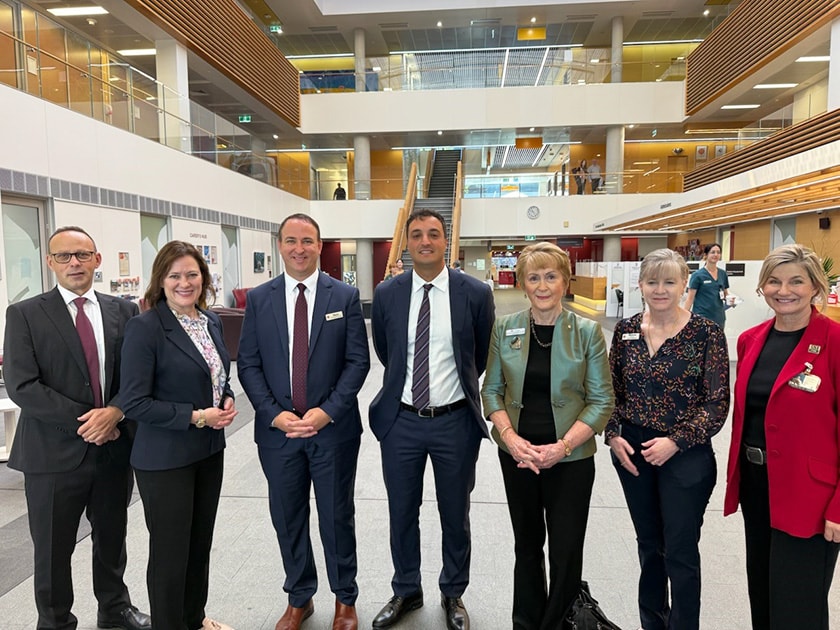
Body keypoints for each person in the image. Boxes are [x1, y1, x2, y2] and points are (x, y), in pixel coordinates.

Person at [4, 226, 150, 630]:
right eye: (65, 256)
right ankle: (53, 621)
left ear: (97, 260)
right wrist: (91, 422)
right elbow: (22, 385)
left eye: (83, 255)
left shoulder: (124, 311)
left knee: (111, 539)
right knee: (52, 549)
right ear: (50, 262)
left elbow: (136, 375)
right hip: (51, 455)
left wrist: (116, 411)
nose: (74, 263)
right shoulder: (25, 314)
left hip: (113, 451)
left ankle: (115, 610)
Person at [238, 213, 370, 630]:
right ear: (279, 245)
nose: (299, 248)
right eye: (291, 240)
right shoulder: (260, 299)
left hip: (332, 431)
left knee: (336, 516)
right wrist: (274, 415)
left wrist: (327, 411)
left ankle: (344, 598)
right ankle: (300, 596)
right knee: (288, 515)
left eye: (308, 241)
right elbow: (249, 363)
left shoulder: (344, 297)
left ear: (319, 245)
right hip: (278, 435)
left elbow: (357, 362)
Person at [369, 209, 494, 630]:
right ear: (407, 242)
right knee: (401, 510)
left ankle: (453, 592)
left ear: (446, 241)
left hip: (455, 422)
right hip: (401, 421)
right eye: (417, 234)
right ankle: (406, 588)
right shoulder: (387, 293)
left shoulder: (475, 293)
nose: (425, 241)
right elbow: (387, 353)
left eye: (434, 234)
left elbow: (478, 356)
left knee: (454, 512)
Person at [480, 242, 614, 629]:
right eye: (533, 277)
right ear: (522, 283)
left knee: (566, 548)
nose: (542, 285)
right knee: (526, 545)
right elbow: (492, 391)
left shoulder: (586, 333)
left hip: (570, 460)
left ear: (565, 281)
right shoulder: (505, 328)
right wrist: (510, 438)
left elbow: (602, 400)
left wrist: (563, 447)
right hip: (518, 456)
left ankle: (559, 623)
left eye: (551, 276)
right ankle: (526, 622)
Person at [606, 248, 730, 630]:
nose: (660, 289)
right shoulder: (625, 330)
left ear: (683, 285)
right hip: (633, 451)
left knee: (679, 551)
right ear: (640, 285)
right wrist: (612, 435)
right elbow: (609, 392)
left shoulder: (706, 332)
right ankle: (652, 623)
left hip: (686, 454)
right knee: (649, 548)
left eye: (669, 281)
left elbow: (716, 402)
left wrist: (675, 440)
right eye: (652, 281)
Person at [120, 241, 236, 630]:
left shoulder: (210, 321)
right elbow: (134, 402)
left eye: (191, 274)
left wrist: (227, 398)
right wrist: (198, 415)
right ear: (161, 281)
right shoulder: (145, 328)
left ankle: (194, 619)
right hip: (165, 458)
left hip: (207, 451)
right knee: (170, 554)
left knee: (199, 545)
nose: (184, 283)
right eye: (175, 276)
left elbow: (218, 375)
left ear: (203, 277)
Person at [724, 244, 840, 630]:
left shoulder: (835, 342)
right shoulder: (751, 340)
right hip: (758, 486)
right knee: (764, 592)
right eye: (773, 281)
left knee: (798, 605)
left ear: (815, 288)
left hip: (811, 495)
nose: (783, 290)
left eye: (796, 281)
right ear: (762, 287)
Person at [684, 243, 729, 329]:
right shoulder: (697, 275)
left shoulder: (722, 274)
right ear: (706, 255)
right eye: (712, 252)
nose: (716, 255)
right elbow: (690, 298)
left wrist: (731, 300)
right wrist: (683, 317)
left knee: (718, 342)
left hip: (719, 317)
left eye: (718, 252)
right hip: (702, 317)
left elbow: (726, 293)